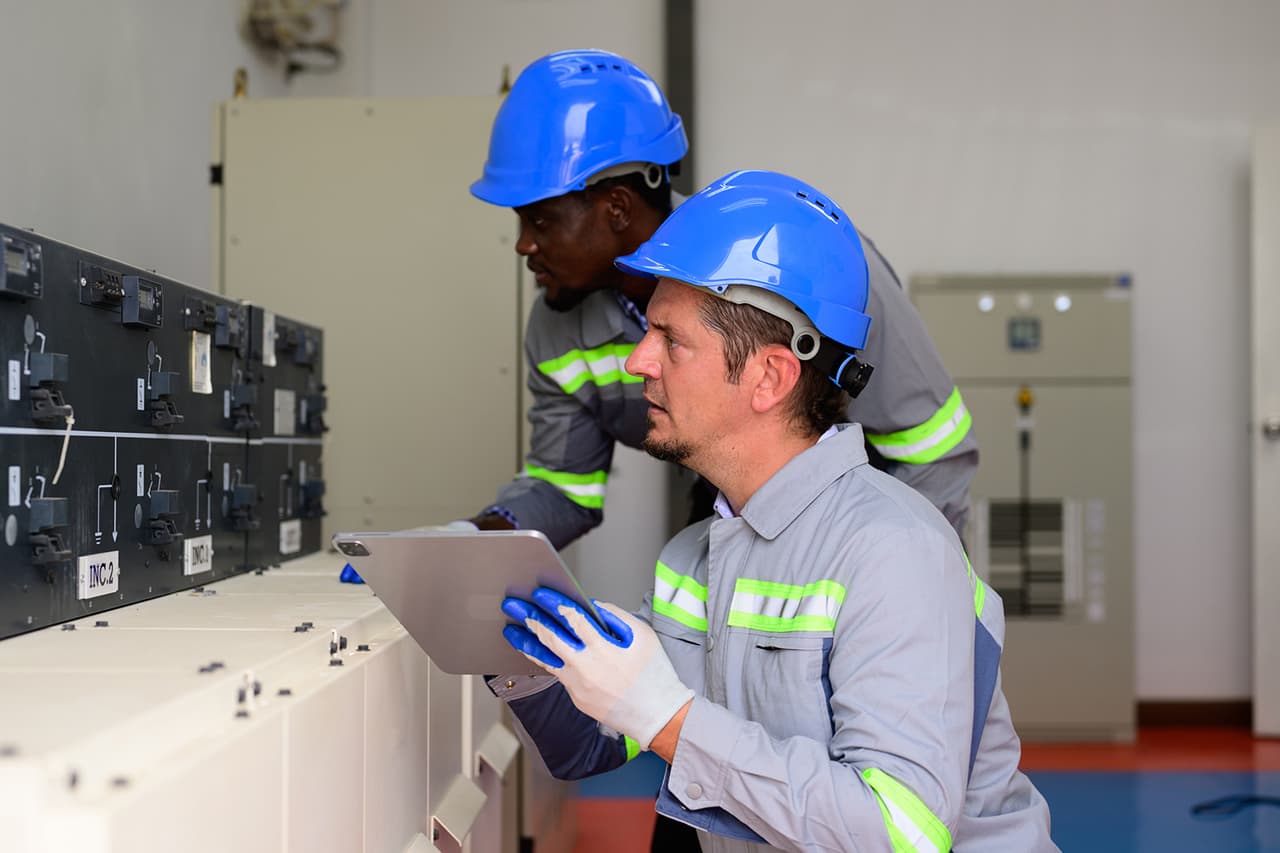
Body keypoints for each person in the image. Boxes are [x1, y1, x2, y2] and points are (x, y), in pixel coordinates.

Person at [491, 170, 1057, 852]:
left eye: (671, 339)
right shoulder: (693, 557)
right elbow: (588, 747)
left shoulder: (894, 549)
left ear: (769, 377)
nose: (639, 359)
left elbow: (899, 831)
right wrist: (504, 641)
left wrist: (670, 717)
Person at [464, 49, 977, 550]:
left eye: (540, 221)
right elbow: (563, 490)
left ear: (615, 208)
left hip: (876, 517)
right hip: (731, 507)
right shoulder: (557, 326)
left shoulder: (804, 265)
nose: (523, 245)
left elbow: (930, 450)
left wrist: (897, 579)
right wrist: (463, 544)